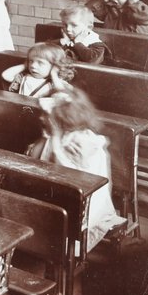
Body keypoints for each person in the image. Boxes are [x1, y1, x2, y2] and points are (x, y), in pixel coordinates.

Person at [30, 88, 126, 252]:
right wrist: (49, 137)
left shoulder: (84, 141)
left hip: (85, 203)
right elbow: (34, 157)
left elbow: (69, 176)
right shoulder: (60, 135)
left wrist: (54, 139)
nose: (40, 118)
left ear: (63, 119)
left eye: (46, 115)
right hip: (62, 194)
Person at [1, 42, 74, 98]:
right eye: (31, 61)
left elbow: (63, 93)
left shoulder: (56, 83)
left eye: (40, 63)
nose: (33, 65)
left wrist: (54, 74)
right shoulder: (23, 77)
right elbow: (5, 75)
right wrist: (25, 65)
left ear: (54, 66)